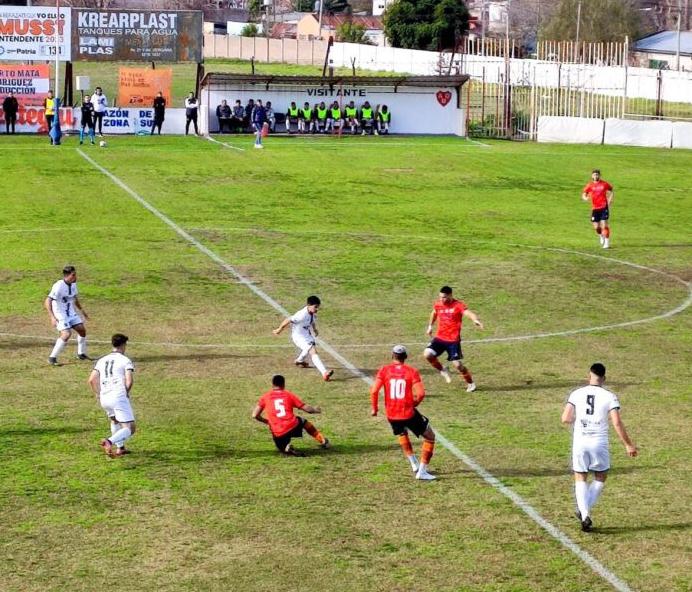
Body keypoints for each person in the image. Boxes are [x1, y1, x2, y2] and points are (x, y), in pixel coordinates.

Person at [561, 363, 637, 532]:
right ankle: (584, 510)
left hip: (580, 441)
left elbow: (565, 418)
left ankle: (584, 513)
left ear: (588, 376)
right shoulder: (610, 396)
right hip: (599, 442)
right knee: (601, 476)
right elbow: (616, 422)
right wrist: (628, 444)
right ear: (604, 378)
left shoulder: (576, 393)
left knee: (580, 476)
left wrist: (578, 421)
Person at [371, 345, 437, 480]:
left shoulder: (384, 370)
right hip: (407, 412)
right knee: (430, 436)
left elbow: (374, 391)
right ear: (405, 357)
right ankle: (422, 471)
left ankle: (413, 463)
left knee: (402, 432)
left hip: (391, 413)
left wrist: (375, 408)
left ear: (392, 356)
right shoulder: (411, 371)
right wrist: (414, 404)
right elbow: (421, 394)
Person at [252, 374, 330, 456]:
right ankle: (323, 440)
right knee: (303, 422)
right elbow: (307, 409)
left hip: (277, 431)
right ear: (283, 384)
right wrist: (315, 410)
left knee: (281, 447)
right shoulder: (288, 395)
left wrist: (267, 422)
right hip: (292, 425)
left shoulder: (265, 396)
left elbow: (254, 415)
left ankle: (286, 448)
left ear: (272, 384)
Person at [424, 286, 483, 391]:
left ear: (451, 295)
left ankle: (471, 383)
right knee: (427, 354)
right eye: (440, 297)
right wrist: (430, 326)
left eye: (445, 297)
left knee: (458, 365)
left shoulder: (458, 305)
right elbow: (434, 313)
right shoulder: (438, 304)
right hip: (440, 338)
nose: (442, 299)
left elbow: (468, 313)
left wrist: (475, 320)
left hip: (452, 341)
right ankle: (443, 370)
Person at [88, 333, 137, 458]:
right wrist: (125, 393)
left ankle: (120, 448)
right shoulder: (125, 360)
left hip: (105, 397)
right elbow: (129, 381)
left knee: (114, 420)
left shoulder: (102, 360)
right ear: (124, 345)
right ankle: (109, 441)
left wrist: (98, 394)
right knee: (130, 428)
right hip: (118, 395)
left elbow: (92, 380)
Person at [273, 295, 334, 381]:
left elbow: (312, 321)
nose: (317, 309)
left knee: (310, 346)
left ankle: (299, 361)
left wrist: (315, 329)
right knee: (312, 350)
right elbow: (288, 320)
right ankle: (324, 373)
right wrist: (279, 330)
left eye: (318, 307)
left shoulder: (312, 312)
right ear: (309, 305)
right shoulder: (301, 315)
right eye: (315, 307)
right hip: (298, 337)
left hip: (306, 335)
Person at [44, 265, 91, 365]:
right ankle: (52, 358)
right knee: (66, 334)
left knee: (82, 330)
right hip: (60, 314)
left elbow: (75, 298)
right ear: (67, 276)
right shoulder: (58, 286)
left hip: (71, 313)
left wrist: (82, 311)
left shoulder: (73, 285)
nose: (76, 277)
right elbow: (48, 301)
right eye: (73, 275)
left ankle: (81, 354)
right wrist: (52, 317)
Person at [581, 169, 614, 249]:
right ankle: (600, 235)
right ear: (592, 176)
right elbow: (584, 193)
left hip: (603, 207)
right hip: (595, 208)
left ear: (599, 175)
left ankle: (607, 243)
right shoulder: (590, 185)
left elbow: (611, 191)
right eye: (594, 175)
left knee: (605, 225)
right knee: (597, 227)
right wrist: (585, 198)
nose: (596, 176)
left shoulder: (604, 184)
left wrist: (610, 201)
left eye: (597, 175)